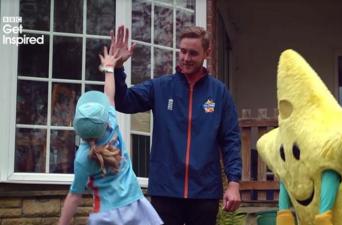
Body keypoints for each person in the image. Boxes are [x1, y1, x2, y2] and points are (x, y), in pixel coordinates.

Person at [110, 25, 242, 225]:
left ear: (207, 53)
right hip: (165, 190)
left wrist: (234, 183)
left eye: (193, 53)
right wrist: (118, 69)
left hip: (204, 193)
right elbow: (123, 101)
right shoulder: (161, 87)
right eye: (183, 51)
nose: (186, 58)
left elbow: (231, 140)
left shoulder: (219, 93)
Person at [58, 46, 163, 225]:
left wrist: (62, 223)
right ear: (105, 120)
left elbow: (74, 196)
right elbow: (110, 94)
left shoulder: (82, 157)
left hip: (106, 215)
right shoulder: (112, 125)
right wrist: (109, 67)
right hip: (135, 207)